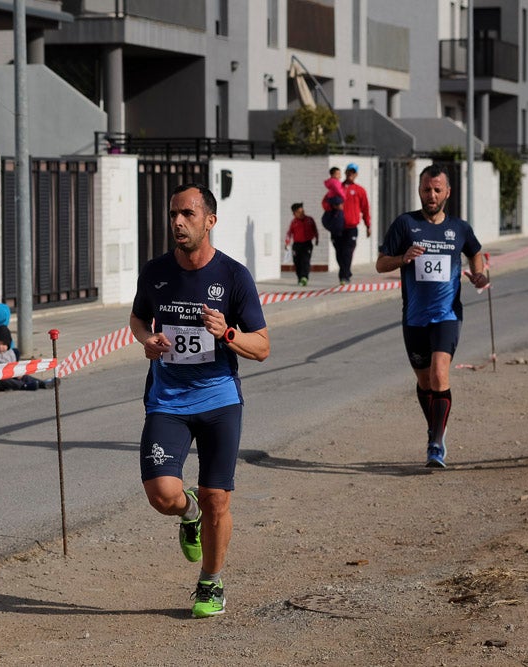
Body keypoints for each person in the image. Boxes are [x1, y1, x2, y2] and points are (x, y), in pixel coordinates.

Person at [129, 183, 270, 618]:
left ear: (210, 221)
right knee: (162, 494)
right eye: (174, 213)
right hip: (167, 400)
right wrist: (146, 339)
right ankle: (186, 512)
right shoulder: (155, 272)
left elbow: (262, 346)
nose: (177, 222)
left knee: (218, 497)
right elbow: (137, 317)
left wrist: (227, 334)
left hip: (219, 400)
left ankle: (211, 582)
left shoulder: (232, 276)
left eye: (188, 214)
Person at [375, 164, 488, 468]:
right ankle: (435, 425)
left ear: (448, 192)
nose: (432, 195)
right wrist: (403, 258)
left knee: (439, 374)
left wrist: (479, 274)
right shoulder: (405, 224)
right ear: (420, 190)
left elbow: (475, 251)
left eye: (438, 189)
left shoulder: (459, 228)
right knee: (425, 382)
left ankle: (436, 443)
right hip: (414, 318)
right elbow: (381, 264)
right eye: (427, 189)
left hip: (447, 314)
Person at [0, 325, 53, 392]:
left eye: (3, 344)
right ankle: (24, 386)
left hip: (10, 374)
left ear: (8, 344)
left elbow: (14, 366)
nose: (0, 347)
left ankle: (42, 383)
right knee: (7, 381)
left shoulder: (11, 353)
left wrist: (19, 373)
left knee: (24, 376)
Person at [328, 162, 372, 285]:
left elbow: (365, 209)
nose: (350, 174)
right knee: (339, 253)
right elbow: (325, 203)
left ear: (356, 174)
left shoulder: (360, 190)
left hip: (351, 227)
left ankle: (344, 276)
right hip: (337, 226)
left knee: (347, 252)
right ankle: (346, 272)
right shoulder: (337, 188)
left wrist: (368, 225)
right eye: (349, 171)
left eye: (353, 172)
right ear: (345, 172)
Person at [285, 202, 319, 286]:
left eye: (303, 211)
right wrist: (287, 243)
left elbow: (315, 230)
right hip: (297, 245)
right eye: (299, 212)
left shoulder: (309, 220)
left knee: (305, 260)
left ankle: (304, 277)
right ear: (294, 213)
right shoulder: (294, 222)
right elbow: (289, 233)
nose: (302, 214)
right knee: (297, 262)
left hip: (307, 244)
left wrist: (317, 238)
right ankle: (300, 277)